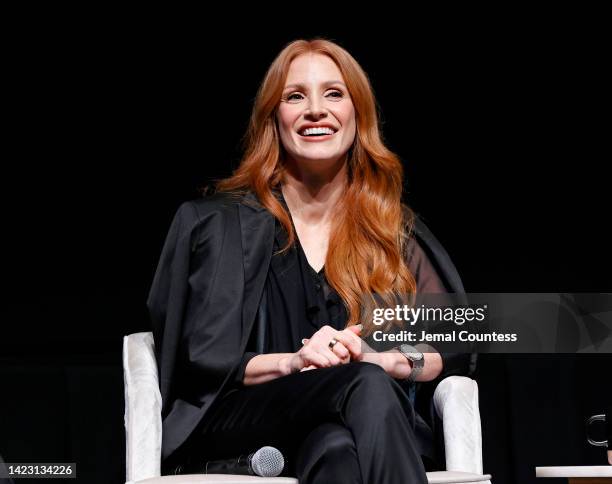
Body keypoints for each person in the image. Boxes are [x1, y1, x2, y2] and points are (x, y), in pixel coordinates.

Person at [147, 38, 470, 483]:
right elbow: (201, 360)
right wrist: (296, 362)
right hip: (244, 421)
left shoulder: (391, 229)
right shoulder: (217, 224)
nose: (315, 109)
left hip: (355, 422)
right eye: (295, 96)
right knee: (365, 387)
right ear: (273, 119)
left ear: (358, 114)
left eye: (334, 94)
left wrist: (382, 360)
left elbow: (456, 337)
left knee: (337, 450)